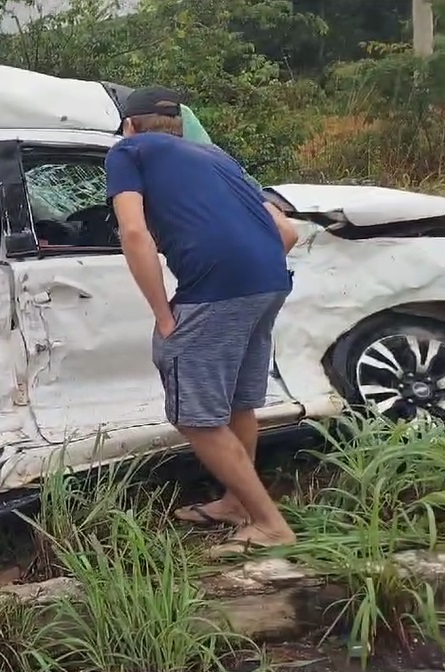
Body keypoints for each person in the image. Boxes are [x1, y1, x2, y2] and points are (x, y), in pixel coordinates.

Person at [104, 85, 301, 558]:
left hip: (216, 289)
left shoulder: (127, 151)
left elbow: (133, 231)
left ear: (130, 124)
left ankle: (270, 524)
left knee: (194, 416)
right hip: (271, 281)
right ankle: (237, 503)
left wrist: (163, 313)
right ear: (177, 124)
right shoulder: (215, 156)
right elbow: (287, 232)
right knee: (236, 403)